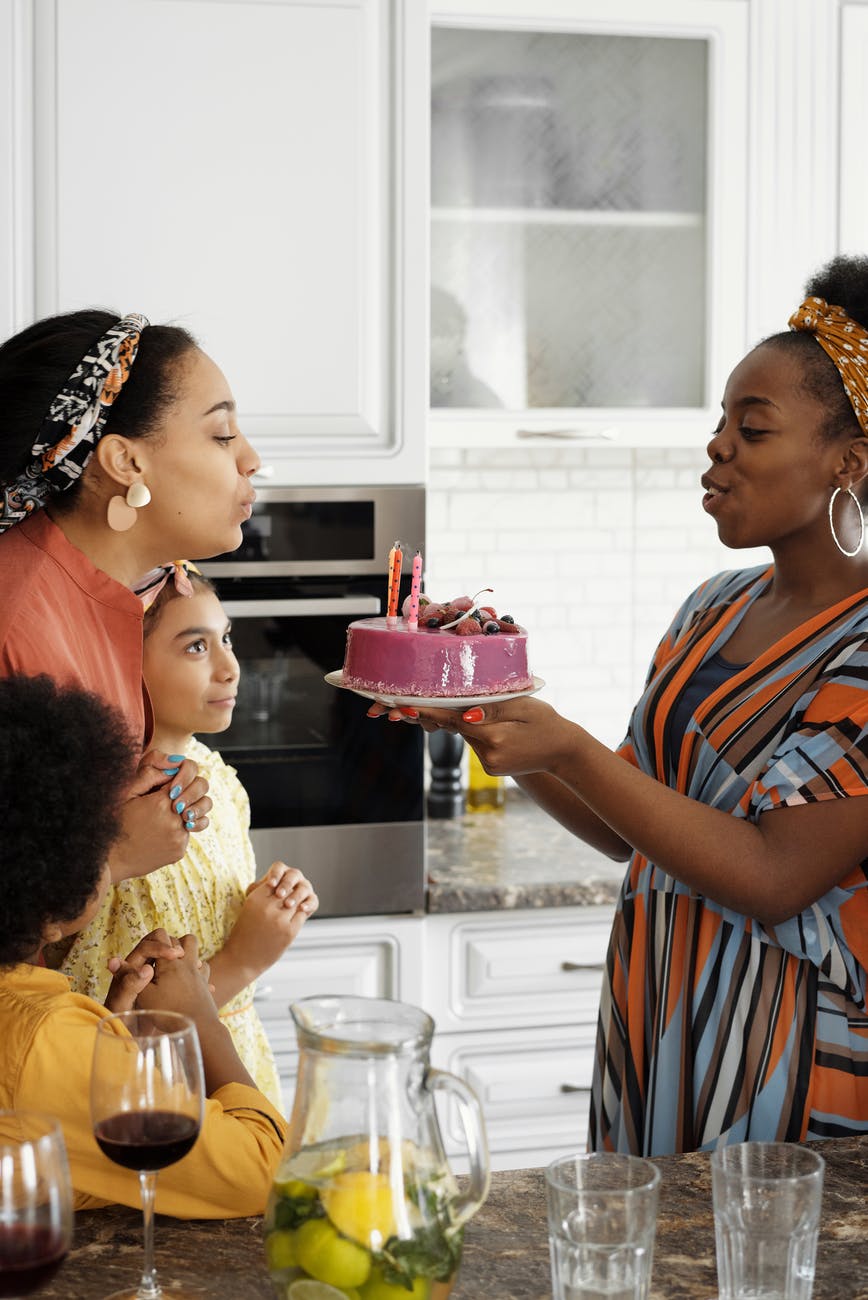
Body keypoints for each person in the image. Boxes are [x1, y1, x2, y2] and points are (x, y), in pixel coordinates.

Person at [394, 254, 868, 1155]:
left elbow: (774, 879)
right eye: (721, 421)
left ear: (848, 460)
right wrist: (485, 709)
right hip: (655, 1018)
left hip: (788, 1051)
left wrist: (566, 747)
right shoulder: (714, 605)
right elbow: (628, 822)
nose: (718, 446)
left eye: (752, 428)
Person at [0, 674, 287, 1217]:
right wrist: (203, 1023)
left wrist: (109, 1028)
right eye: (102, 837)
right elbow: (267, 1168)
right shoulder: (41, 1039)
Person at [0, 309, 261, 882]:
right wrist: (113, 857)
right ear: (125, 461)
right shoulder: (16, 622)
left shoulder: (116, 594)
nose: (251, 460)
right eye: (221, 435)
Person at [63, 566, 319, 1108]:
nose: (230, 668)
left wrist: (260, 912)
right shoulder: (99, 805)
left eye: (226, 638)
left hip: (238, 1070)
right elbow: (105, 1022)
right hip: (146, 1102)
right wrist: (247, 958)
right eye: (196, 646)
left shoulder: (221, 780)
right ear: (122, 662)